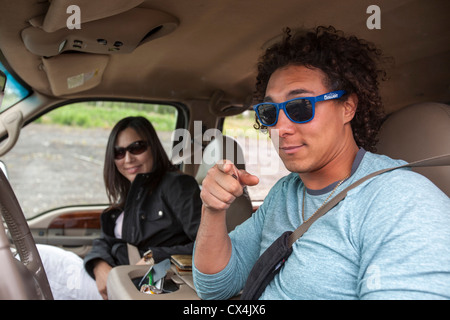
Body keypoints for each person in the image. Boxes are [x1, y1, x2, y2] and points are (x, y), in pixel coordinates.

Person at [192, 26, 450, 300]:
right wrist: (213, 208)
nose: (281, 128)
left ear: (348, 107)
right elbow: (215, 287)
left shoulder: (403, 202)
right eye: (269, 113)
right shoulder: (284, 192)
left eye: (300, 107)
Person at [38, 116, 202, 299]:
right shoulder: (133, 192)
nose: (128, 158)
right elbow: (105, 240)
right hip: (116, 278)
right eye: (119, 152)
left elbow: (206, 246)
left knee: (41, 261)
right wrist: (99, 266)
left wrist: (154, 257)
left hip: (142, 286)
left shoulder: (177, 185)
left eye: (137, 148)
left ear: (153, 147)